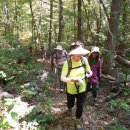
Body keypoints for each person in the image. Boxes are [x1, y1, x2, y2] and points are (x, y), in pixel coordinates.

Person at [61, 46, 92, 130]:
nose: (81, 55)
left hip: (82, 87)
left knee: (80, 105)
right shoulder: (67, 63)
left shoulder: (84, 60)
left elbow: (89, 71)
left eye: (81, 53)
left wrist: (88, 74)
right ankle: (69, 108)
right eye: (78, 54)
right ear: (73, 54)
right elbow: (62, 78)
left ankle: (78, 120)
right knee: (70, 103)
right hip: (71, 88)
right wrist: (73, 80)